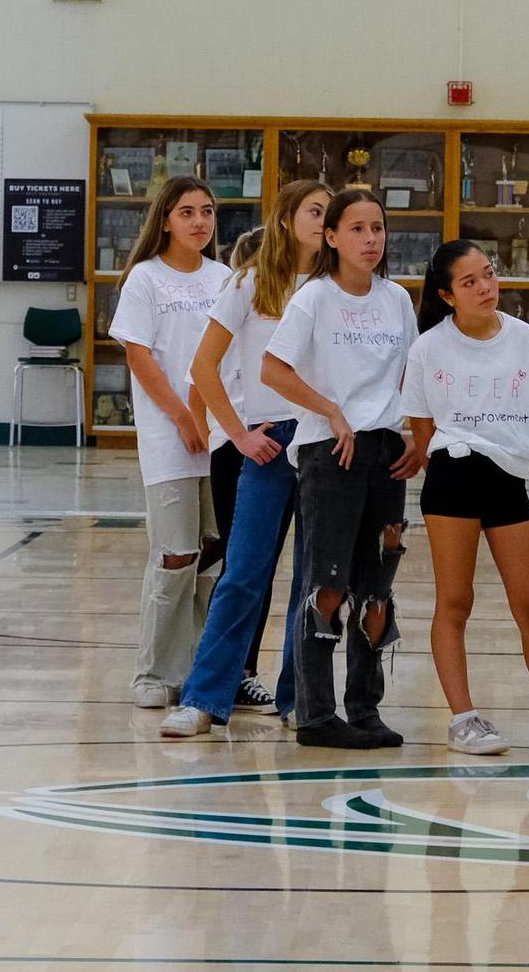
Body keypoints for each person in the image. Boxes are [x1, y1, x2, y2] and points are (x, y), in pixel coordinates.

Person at [401, 240, 529, 756]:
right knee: (455, 601)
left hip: (509, 480)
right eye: (470, 282)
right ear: (447, 295)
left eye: (488, 275)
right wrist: (454, 464)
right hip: (453, 475)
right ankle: (463, 720)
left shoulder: (523, 337)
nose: (486, 287)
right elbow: (421, 429)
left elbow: (527, 413)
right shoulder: (428, 348)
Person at [160, 182, 332, 737]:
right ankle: (203, 698)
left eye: (329, 213)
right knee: (243, 572)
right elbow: (203, 367)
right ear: (285, 219)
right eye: (315, 211)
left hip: (325, 441)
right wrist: (238, 435)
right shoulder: (251, 282)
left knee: (313, 577)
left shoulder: (337, 287)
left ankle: (298, 699)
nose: (324, 220)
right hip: (271, 440)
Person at [262, 189, 424, 749]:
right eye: (356, 229)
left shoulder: (397, 299)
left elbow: (410, 373)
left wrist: (416, 435)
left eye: (377, 228)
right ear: (331, 237)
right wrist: (330, 410)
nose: (370, 239)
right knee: (327, 584)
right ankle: (315, 714)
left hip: (385, 450)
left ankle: (365, 707)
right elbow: (273, 369)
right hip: (330, 452)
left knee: (377, 588)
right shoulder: (314, 298)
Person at [107, 176, 230, 709]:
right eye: (187, 212)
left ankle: (201, 671)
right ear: (165, 220)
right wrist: (184, 417)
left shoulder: (225, 278)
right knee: (176, 554)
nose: (199, 222)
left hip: (221, 436)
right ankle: (154, 672)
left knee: (214, 559)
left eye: (207, 211)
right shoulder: (145, 278)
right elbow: (140, 356)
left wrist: (217, 420)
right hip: (171, 436)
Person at [200, 226, 287, 716]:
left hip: (272, 438)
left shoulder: (285, 312)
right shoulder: (235, 304)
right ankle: (220, 672)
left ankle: (244, 671)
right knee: (240, 566)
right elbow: (198, 380)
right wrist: (225, 435)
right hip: (236, 445)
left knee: (262, 565)